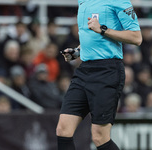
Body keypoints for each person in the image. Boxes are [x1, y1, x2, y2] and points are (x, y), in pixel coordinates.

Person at [56, 0, 142, 150]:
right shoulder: (83, 1)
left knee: (99, 137)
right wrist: (77, 52)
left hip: (107, 70)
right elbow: (92, 38)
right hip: (84, 69)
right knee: (63, 130)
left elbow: (136, 37)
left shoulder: (119, 1)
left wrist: (103, 29)